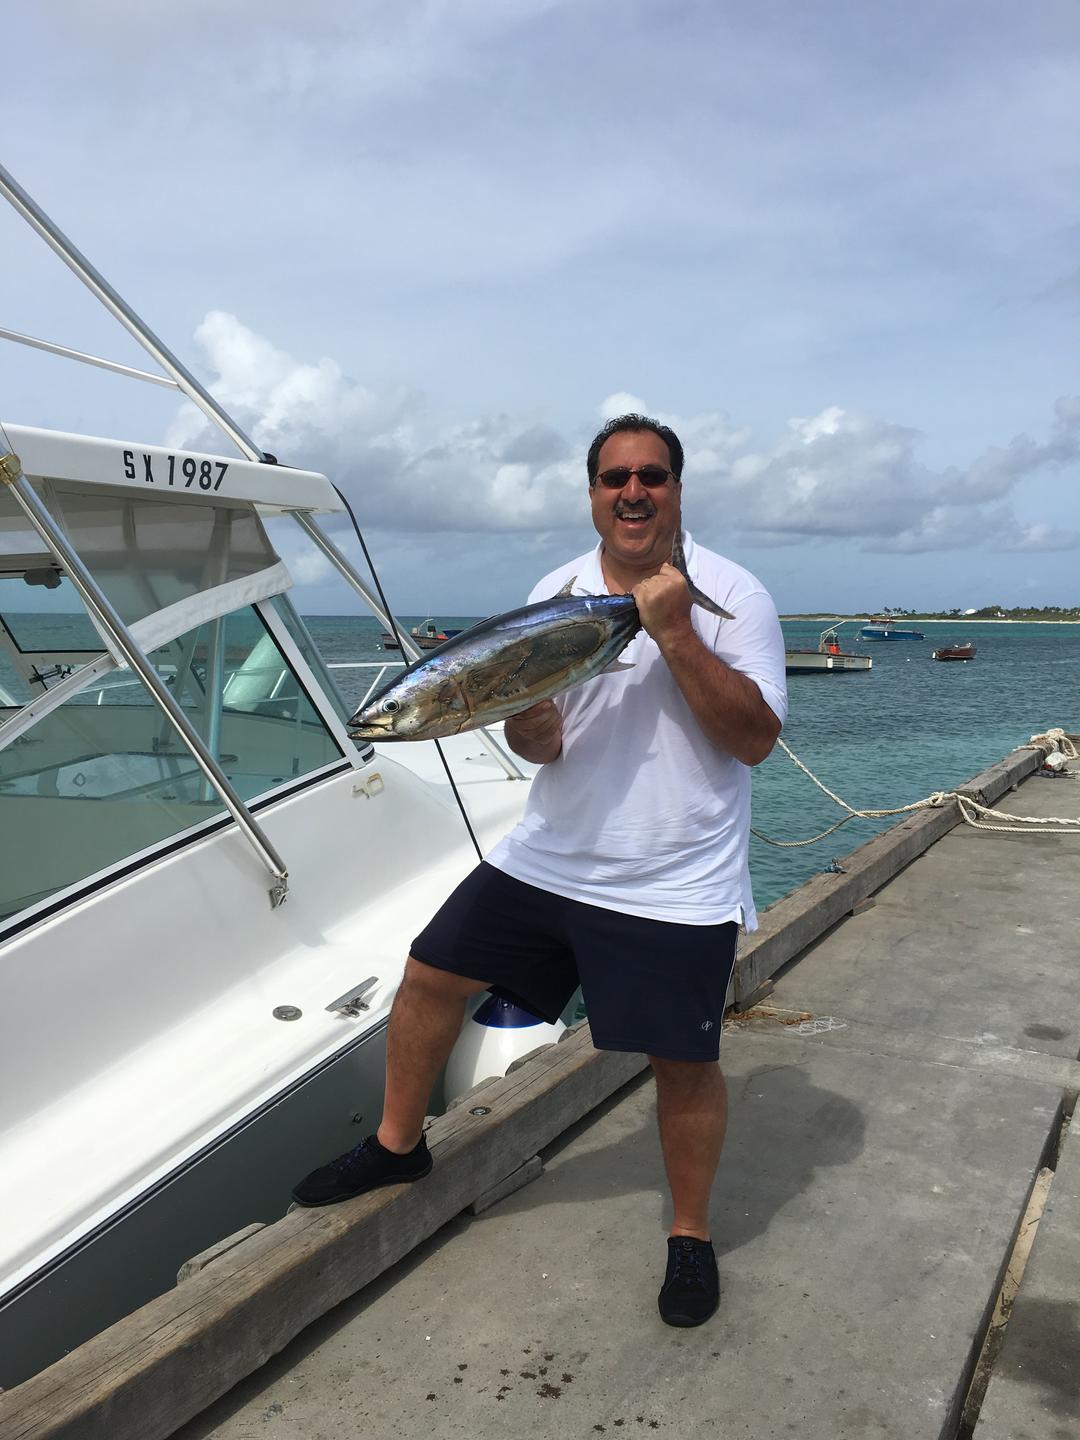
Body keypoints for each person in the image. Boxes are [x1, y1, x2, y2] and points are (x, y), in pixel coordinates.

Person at [292, 413, 788, 1328]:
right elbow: (545, 744)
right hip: (549, 858)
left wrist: (677, 634)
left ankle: (689, 1234)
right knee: (430, 973)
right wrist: (527, 720)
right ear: (593, 493)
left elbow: (755, 740)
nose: (632, 492)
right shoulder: (553, 594)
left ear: (677, 489)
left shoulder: (734, 595)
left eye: (651, 476)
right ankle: (399, 1146)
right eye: (614, 478)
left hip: (674, 879)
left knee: (683, 1062)